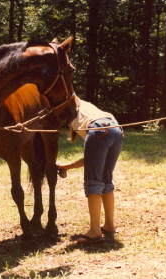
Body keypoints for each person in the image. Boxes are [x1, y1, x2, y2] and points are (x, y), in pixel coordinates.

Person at [57, 96, 123, 244]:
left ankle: (94, 230)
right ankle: (109, 225)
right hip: (116, 128)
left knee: (93, 181)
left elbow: (90, 160)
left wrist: (64, 165)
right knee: (106, 179)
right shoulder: (85, 106)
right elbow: (93, 159)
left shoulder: (70, 111)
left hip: (99, 128)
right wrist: (66, 166)